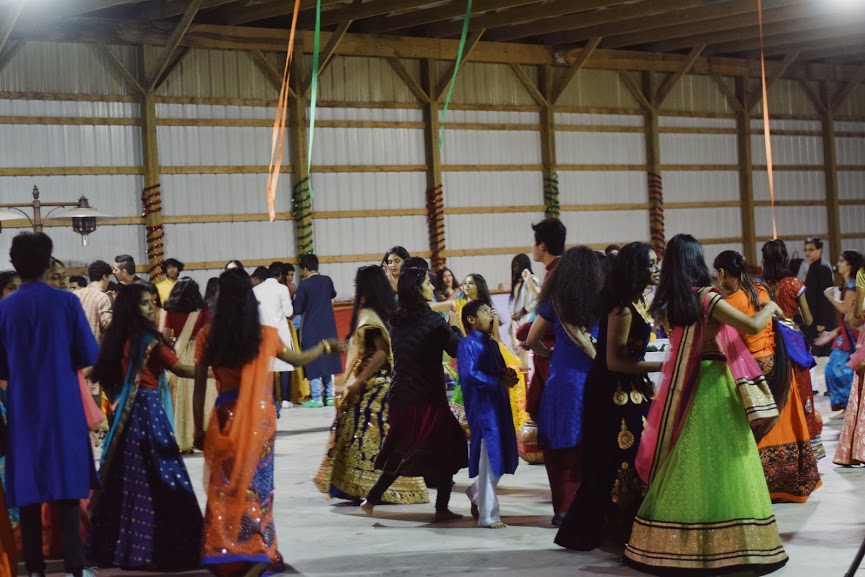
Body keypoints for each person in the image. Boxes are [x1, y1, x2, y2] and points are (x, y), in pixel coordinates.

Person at [623, 234, 788, 576]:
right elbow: (753, 324)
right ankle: (731, 546)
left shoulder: (670, 304)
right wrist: (770, 305)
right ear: (697, 261)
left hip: (685, 390)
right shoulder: (706, 298)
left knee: (687, 465)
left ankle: (674, 545)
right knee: (727, 466)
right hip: (714, 385)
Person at [193, 268, 344, 577]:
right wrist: (325, 347)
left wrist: (198, 429)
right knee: (258, 486)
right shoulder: (265, 334)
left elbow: (198, 389)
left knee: (227, 486)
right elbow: (298, 360)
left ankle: (230, 549)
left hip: (226, 416)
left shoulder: (209, 336)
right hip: (261, 419)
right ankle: (259, 544)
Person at [0, 232, 99, 577]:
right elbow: (87, 354)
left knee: (28, 487)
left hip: (24, 409)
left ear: (14, 264)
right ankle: (76, 565)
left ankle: (35, 568)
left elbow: (1, 366)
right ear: (47, 263)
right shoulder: (67, 303)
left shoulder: (4, 309)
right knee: (67, 484)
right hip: (63, 406)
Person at [87, 283, 202, 570]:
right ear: (131, 308)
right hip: (148, 413)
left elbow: (103, 376)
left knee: (126, 480)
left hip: (122, 416)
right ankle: (162, 547)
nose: (152, 308)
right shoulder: (147, 338)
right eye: (145, 304)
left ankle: (120, 547)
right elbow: (181, 369)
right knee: (162, 475)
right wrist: (219, 369)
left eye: (152, 302)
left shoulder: (116, 337)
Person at [555, 242, 661, 551]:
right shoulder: (622, 308)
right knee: (616, 459)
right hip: (611, 390)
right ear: (636, 269)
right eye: (650, 264)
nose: (655, 270)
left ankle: (629, 526)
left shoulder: (638, 302)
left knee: (636, 455)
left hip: (632, 386)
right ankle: (609, 529)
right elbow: (613, 362)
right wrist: (663, 364)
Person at [314, 265, 429, 505]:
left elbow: (380, 351)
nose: (355, 288)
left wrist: (359, 381)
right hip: (389, 383)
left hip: (374, 386)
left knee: (362, 433)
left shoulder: (369, 315)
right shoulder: (384, 312)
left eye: (358, 284)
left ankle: (368, 486)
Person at [714, 250, 820, 503]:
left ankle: (762, 484)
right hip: (779, 366)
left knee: (753, 426)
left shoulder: (730, 303)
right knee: (783, 422)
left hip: (751, 372)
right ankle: (792, 482)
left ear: (721, 273)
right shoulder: (762, 292)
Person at [361, 267, 466, 522]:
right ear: (419, 289)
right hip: (428, 398)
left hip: (401, 397)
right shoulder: (433, 321)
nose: (433, 287)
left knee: (402, 448)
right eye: (429, 284)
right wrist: (456, 329)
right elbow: (455, 350)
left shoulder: (396, 321)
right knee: (448, 447)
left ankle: (372, 498)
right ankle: (442, 508)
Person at [526, 246, 601, 527]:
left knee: (560, 447)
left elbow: (532, 339)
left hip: (563, 382)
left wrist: (550, 355)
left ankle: (563, 510)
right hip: (594, 380)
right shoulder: (604, 303)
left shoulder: (555, 302)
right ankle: (589, 506)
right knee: (590, 446)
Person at [458, 299, 519, 529]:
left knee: (501, 454)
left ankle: (476, 491)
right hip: (483, 407)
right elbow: (469, 375)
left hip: (498, 404)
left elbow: (500, 370)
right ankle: (488, 515)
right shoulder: (467, 345)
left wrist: (508, 377)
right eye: (484, 311)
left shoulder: (492, 344)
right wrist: (497, 380)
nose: (490, 315)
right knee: (489, 457)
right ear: (472, 320)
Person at [760, 240, 823, 459]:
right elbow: (808, 318)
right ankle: (806, 449)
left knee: (779, 395)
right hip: (793, 344)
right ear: (785, 257)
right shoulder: (794, 284)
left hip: (770, 344)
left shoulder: (761, 286)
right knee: (802, 393)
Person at [163, 277, 214, 452]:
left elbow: (165, 335)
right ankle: (205, 437)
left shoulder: (170, 310)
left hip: (179, 354)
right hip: (199, 352)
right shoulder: (202, 309)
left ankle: (183, 442)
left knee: (181, 398)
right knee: (204, 396)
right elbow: (209, 331)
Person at [526, 218, 567, 421]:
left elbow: (552, 319)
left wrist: (528, 332)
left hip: (555, 350)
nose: (531, 247)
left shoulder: (555, 275)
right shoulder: (559, 271)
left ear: (542, 246)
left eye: (534, 242)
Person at [817, 250, 863, 418]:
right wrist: (834, 333)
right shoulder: (848, 284)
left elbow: (845, 309)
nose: (839, 263)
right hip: (845, 333)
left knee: (837, 369)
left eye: (842, 261)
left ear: (849, 265)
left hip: (852, 335)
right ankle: (847, 407)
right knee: (836, 369)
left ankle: (850, 407)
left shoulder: (851, 286)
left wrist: (830, 297)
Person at [294, 254, 342, 408]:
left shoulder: (304, 285)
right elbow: (333, 294)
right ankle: (329, 396)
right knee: (327, 358)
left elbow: (298, 309)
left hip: (311, 328)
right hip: (328, 326)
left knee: (313, 359)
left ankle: (316, 397)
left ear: (305, 269)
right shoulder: (327, 281)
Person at [254, 262, 295, 410]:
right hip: (280, 331)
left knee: (268, 366)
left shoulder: (256, 289)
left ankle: (270, 398)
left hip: (263, 332)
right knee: (284, 365)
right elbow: (289, 312)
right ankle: (285, 400)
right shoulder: (282, 289)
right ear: (280, 275)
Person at [803, 237, 837, 356]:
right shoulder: (812, 267)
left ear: (819, 250)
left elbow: (825, 298)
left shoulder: (823, 268)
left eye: (811, 250)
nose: (807, 253)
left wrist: (821, 322)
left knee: (822, 353)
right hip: (813, 318)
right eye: (806, 250)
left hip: (821, 320)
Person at [508, 254, 540, 363]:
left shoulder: (532, 280)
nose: (515, 268)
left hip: (528, 318)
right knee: (517, 355)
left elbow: (537, 299)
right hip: (517, 321)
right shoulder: (517, 283)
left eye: (517, 265)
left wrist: (523, 311)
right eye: (513, 266)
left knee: (527, 354)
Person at [75, 260, 114, 345]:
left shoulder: (75, 294)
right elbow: (108, 325)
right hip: (93, 348)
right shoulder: (102, 297)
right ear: (104, 277)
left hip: (74, 347)